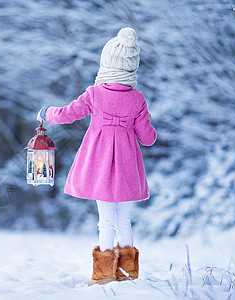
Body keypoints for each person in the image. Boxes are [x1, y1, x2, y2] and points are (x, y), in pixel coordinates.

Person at [37, 27, 156, 285]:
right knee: (124, 219)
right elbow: (147, 138)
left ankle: (103, 276)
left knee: (106, 221)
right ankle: (127, 274)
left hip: (99, 164)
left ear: (106, 64)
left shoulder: (95, 93)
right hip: (126, 166)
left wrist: (46, 113)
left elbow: (68, 114)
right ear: (131, 68)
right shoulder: (138, 99)